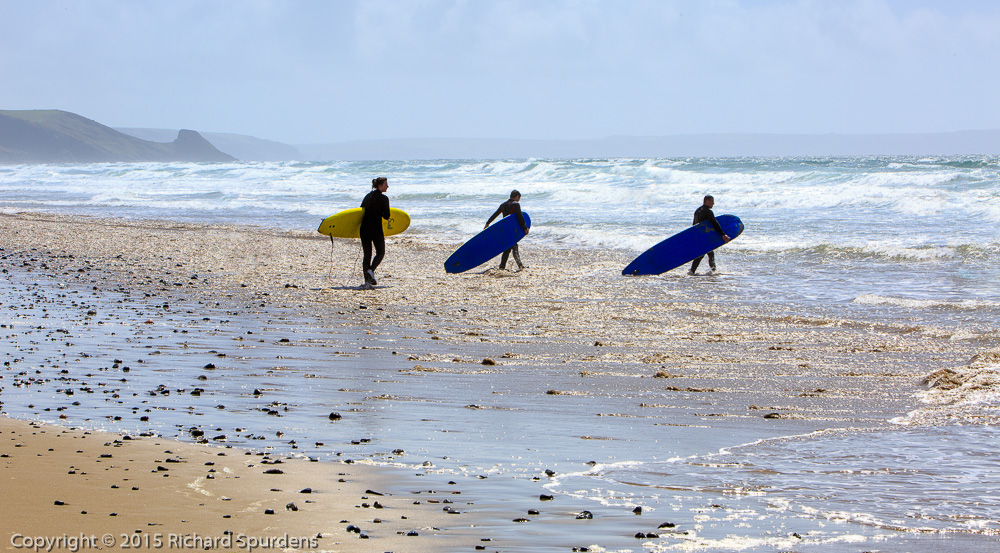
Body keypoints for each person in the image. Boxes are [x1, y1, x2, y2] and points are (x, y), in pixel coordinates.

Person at [484, 189, 529, 271]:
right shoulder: (516, 204)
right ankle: (517, 266)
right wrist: (525, 228)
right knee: (512, 247)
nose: (519, 200)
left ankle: (504, 266)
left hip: (505, 230)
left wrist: (488, 223)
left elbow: (495, 214)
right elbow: (520, 217)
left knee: (509, 248)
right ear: (517, 196)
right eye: (519, 198)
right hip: (512, 230)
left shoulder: (503, 205)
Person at [688, 195, 730, 275]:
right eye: (712, 201)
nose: (713, 203)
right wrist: (723, 235)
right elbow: (715, 223)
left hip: (699, 236)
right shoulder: (708, 212)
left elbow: (694, 225)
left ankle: (712, 271)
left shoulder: (697, 211)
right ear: (706, 201)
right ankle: (694, 271)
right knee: (703, 253)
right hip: (704, 237)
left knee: (709, 253)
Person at [360, 177, 390, 286]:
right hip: (376, 229)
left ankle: (367, 281)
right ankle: (371, 270)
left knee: (367, 255)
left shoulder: (367, 196)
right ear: (380, 186)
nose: (387, 186)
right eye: (386, 184)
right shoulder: (384, 199)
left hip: (364, 229)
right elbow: (387, 216)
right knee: (380, 252)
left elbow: (360, 211)